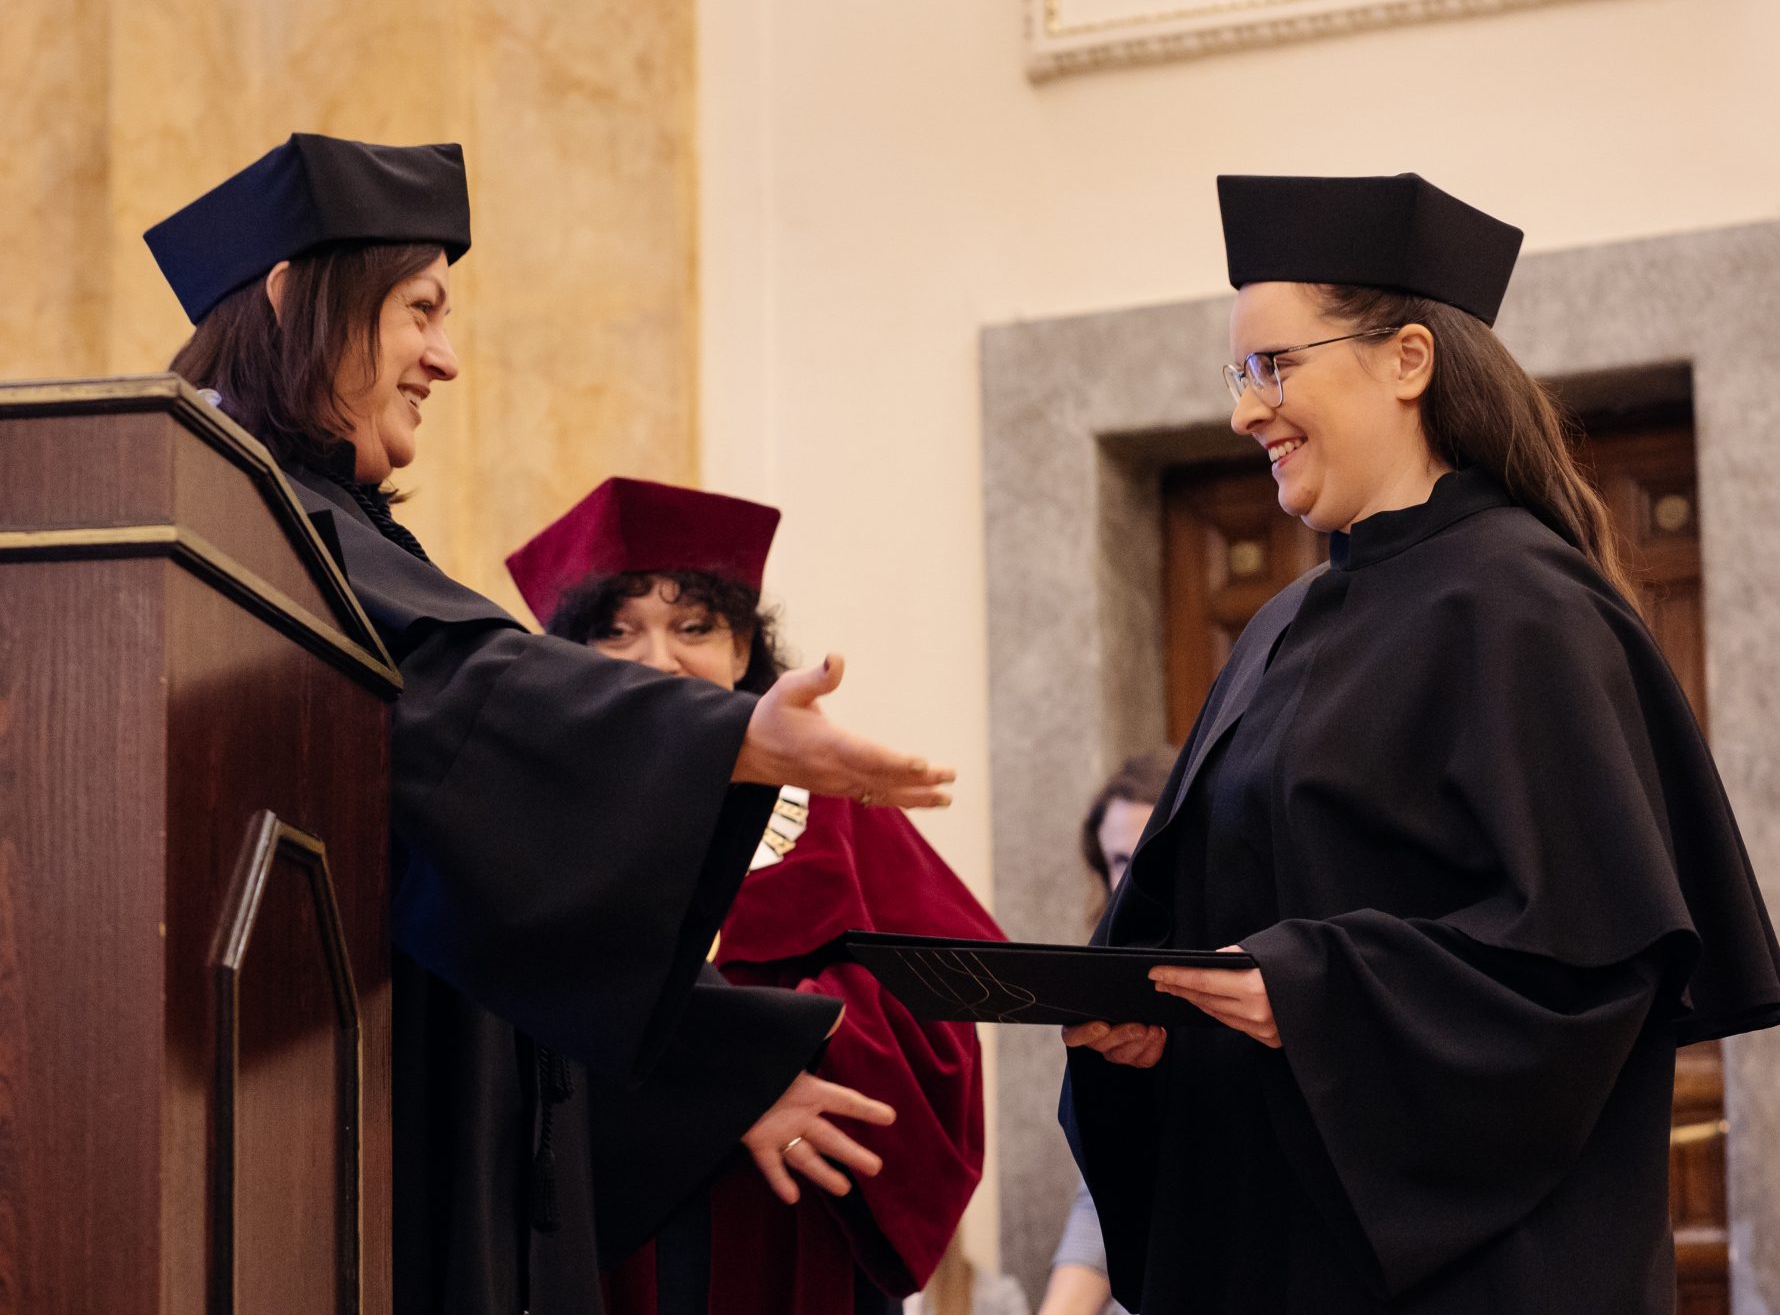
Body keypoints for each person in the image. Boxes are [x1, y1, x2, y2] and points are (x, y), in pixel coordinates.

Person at [144, 133, 951, 1315]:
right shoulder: (243, 522)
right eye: (421, 311)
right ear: (290, 297)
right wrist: (727, 742)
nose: (445, 358)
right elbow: (468, 696)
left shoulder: (296, 523)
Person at [1059, 174, 1780, 1314]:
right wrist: (1152, 1018)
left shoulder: (1528, 608)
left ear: (1408, 360)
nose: (1245, 413)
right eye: (1238, 373)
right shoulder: (1278, 629)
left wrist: (1311, 992)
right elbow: (1224, 914)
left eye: (1273, 366)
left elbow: (1588, 972)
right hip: (1278, 1248)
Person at [506, 477, 1006, 1315]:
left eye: (693, 627)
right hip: (612, 1226)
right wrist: (733, 1082)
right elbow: (507, 1033)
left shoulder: (831, 806)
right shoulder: (521, 819)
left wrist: (807, 1041)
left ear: (742, 652)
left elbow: (945, 1000)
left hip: (798, 1216)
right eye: (615, 631)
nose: (659, 659)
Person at [1039, 751, 1172, 1315]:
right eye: (1118, 860)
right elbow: (1102, 1196)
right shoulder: (1107, 988)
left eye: (1148, 856)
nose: (1131, 881)